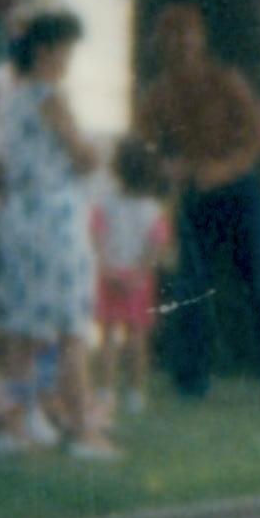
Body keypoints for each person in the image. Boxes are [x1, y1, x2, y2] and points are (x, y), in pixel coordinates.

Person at [138, 2, 260, 402]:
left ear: (201, 38)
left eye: (187, 34)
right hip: (193, 197)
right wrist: (165, 166)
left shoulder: (225, 81)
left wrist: (224, 169)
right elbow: (142, 147)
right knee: (190, 286)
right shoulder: (158, 95)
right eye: (171, 35)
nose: (179, 44)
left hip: (239, 193)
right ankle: (190, 382)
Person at [0, 12, 106, 457]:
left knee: (23, 327)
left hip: (19, 214)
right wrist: (91, 152)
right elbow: (82, 156)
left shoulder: (11, 99)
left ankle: (15, 424)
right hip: (56, 216)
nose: (69, 61)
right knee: (70, 326)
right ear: (47, 51)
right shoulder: (51, 99)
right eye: (66, 51)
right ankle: (82, 427)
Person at [87, 141, 172, 427]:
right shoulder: (152, 209)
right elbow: (157, 244)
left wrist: (105, 268)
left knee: (107, 336)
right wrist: (140, 273)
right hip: (138, 280)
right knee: (137, 337)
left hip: (109, 275)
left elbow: (96, 237)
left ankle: (105, 389)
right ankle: (135, 393)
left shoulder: (105, 204)